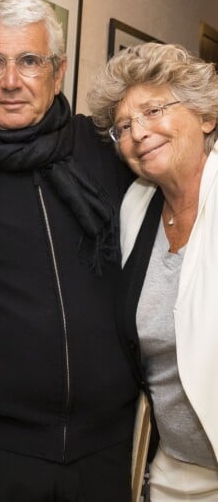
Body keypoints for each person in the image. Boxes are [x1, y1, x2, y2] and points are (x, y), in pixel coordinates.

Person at [0, 0, 138, 501]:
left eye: (30, 61)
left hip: (106, 447)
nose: (11, 81)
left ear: (58, 71)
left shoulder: (109, 154)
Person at [87, 42, 218, 500]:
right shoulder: (136, 207)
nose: (137, 133)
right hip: (172, 470)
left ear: (206, 116)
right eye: (123, 126)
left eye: (154, 110)